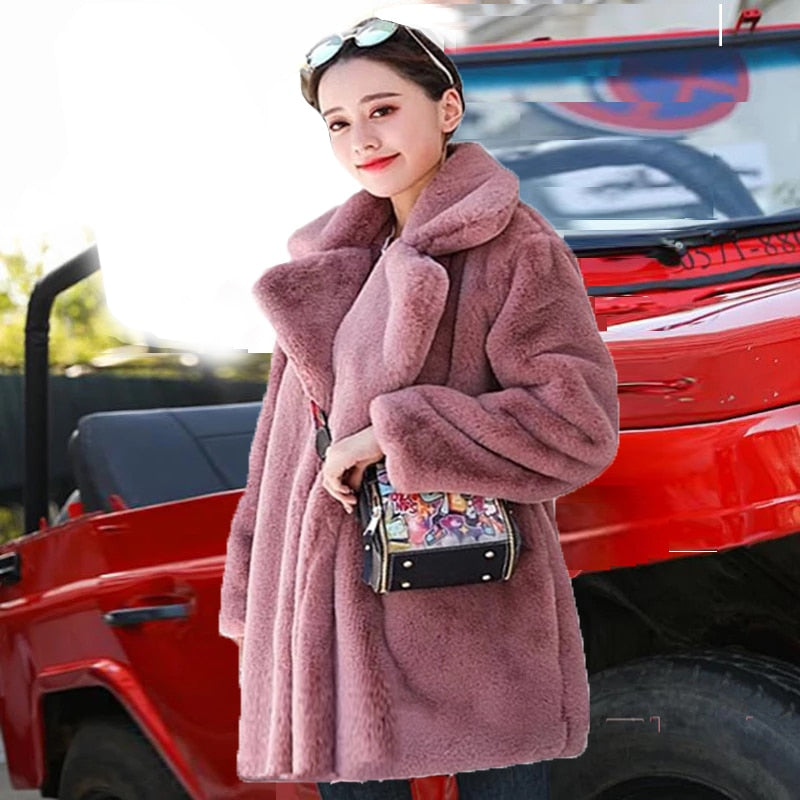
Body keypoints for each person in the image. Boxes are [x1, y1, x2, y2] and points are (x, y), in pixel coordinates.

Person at [219, 15, 619, 800]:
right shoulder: (329, 268)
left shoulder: (513, 249)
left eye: (383, 108)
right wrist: (254, 598)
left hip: (467, 619)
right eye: (338, 122)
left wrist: (394, 434)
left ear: (446, 109)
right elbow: (275, 455)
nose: (361, 137)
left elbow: (576, 425)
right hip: (330, 631)